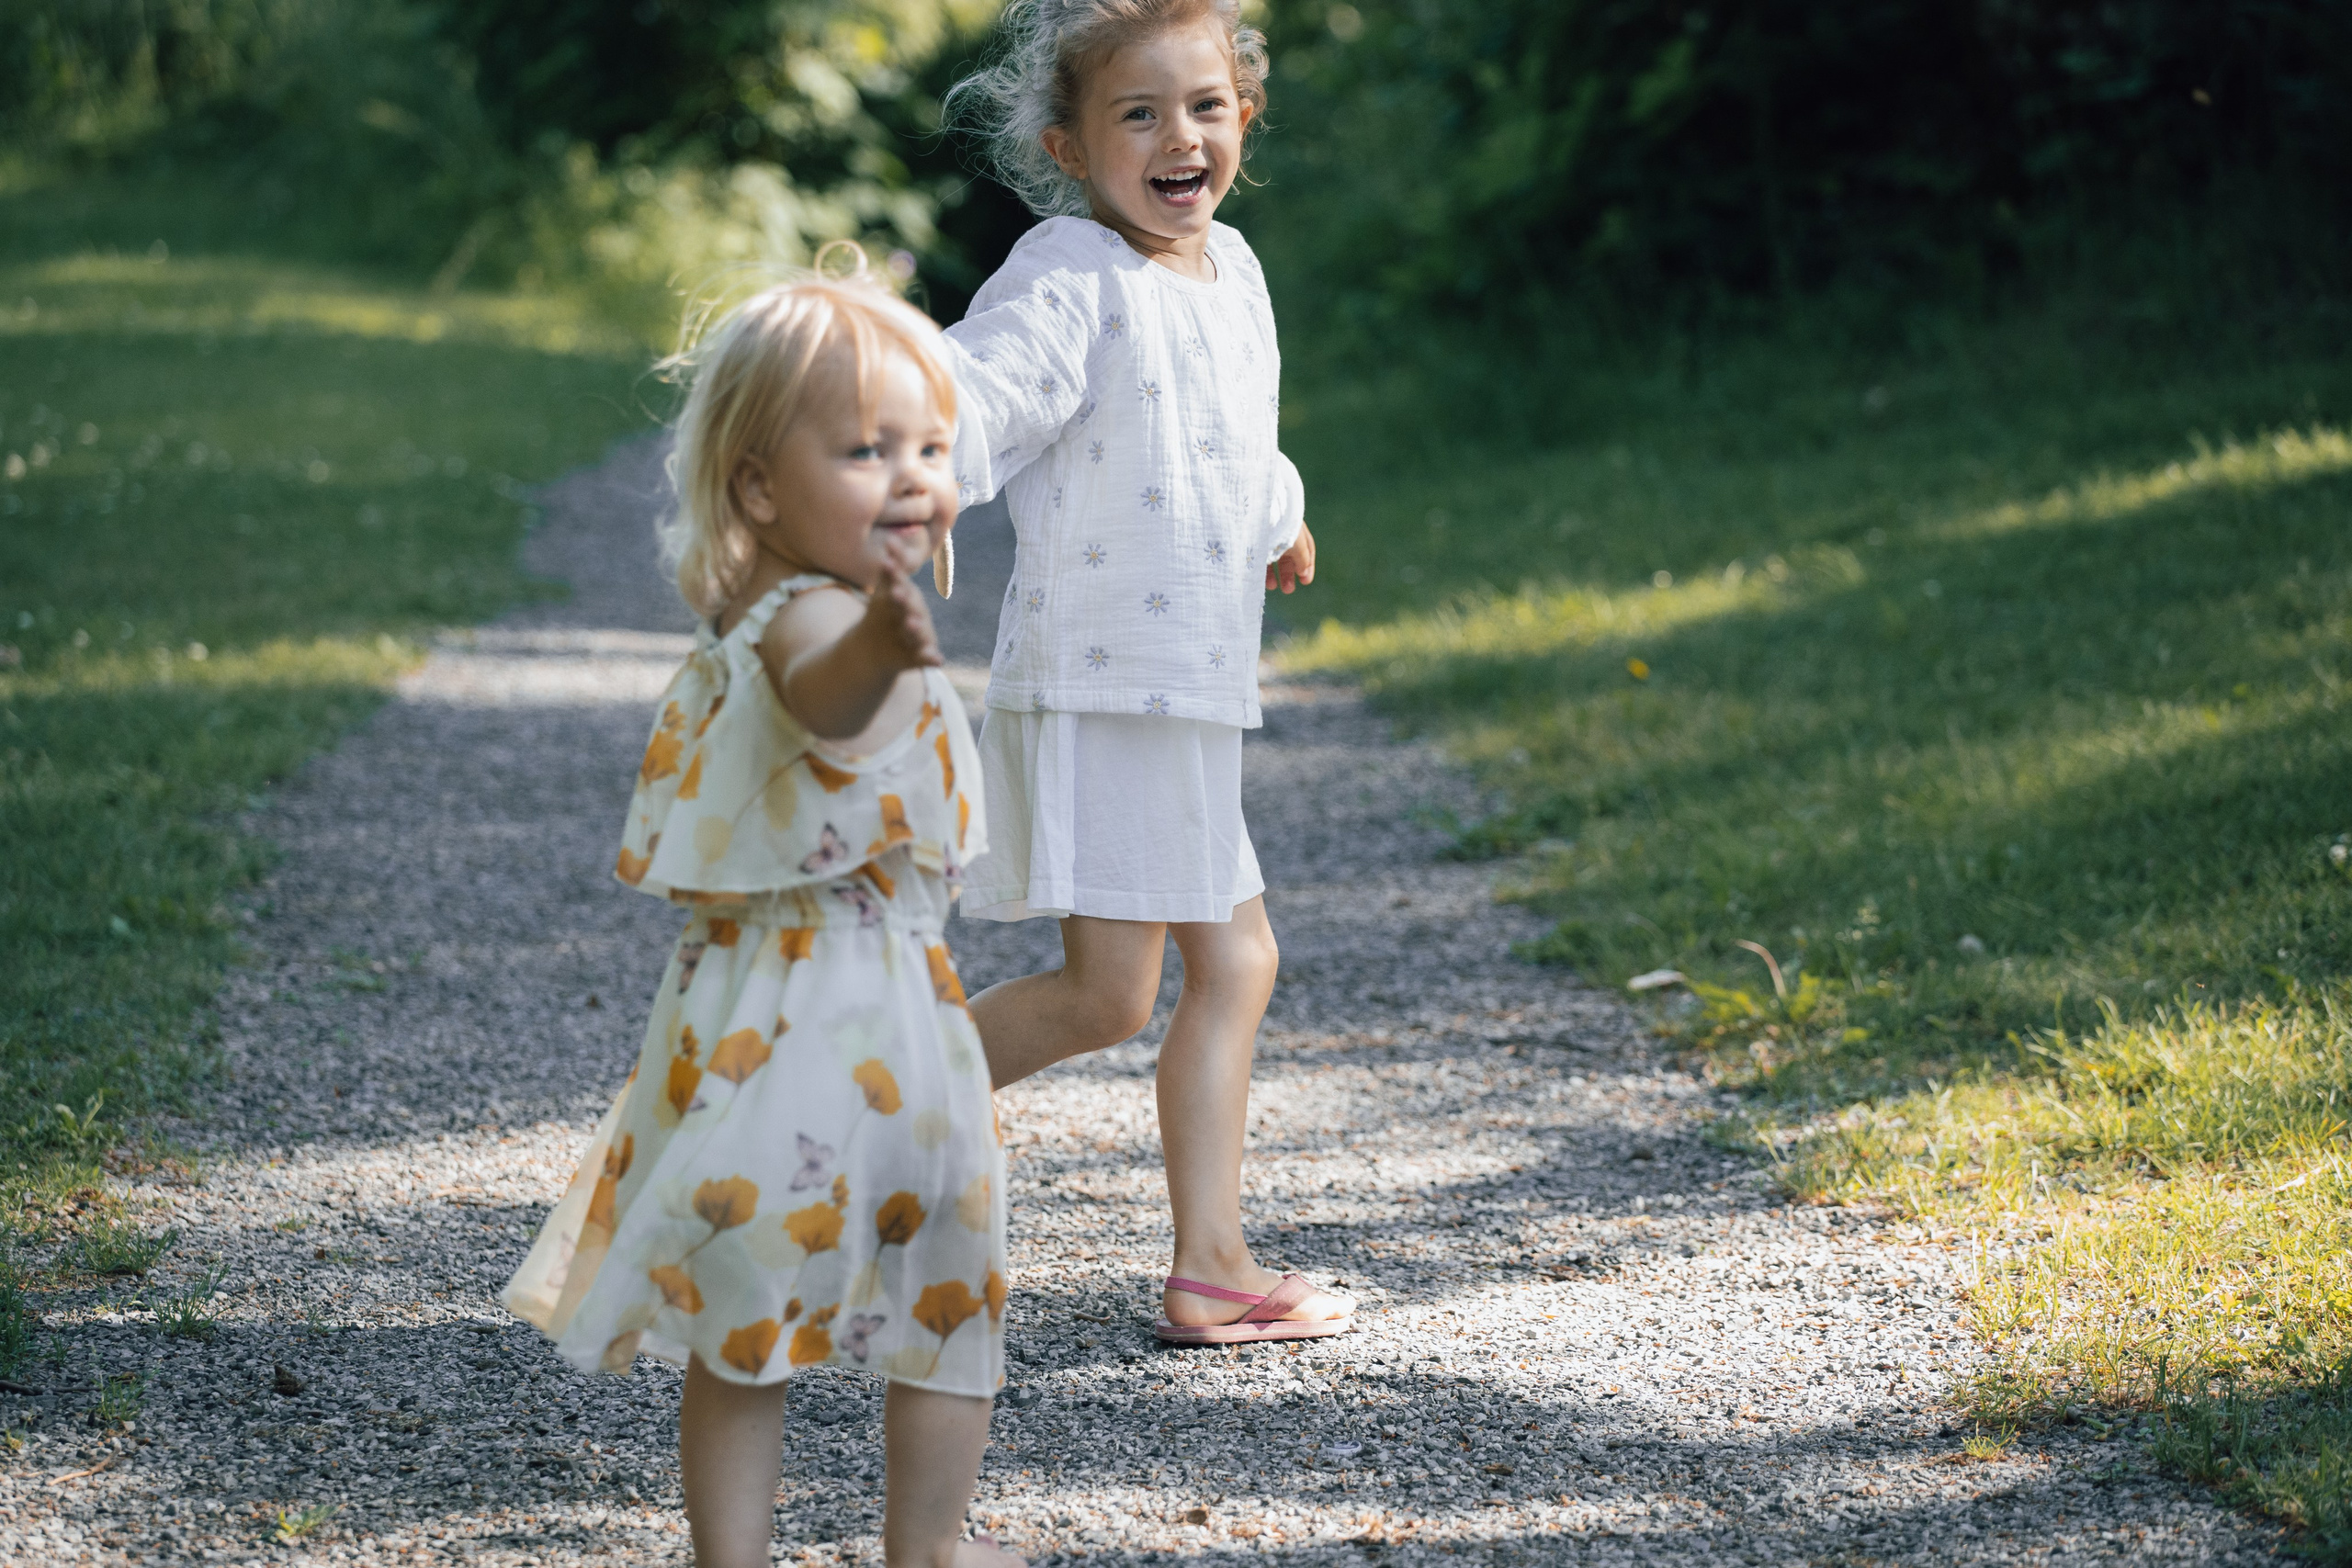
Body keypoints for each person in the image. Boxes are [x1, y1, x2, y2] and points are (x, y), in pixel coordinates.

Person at [501, 259, 1023, 1568]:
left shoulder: (800, 603)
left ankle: (819, 1552)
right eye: (864, 450)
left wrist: (887, 633)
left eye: (929, 448)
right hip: (814, 1021)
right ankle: (911, 1548)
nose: (911, 477)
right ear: (758, 488)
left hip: (862, 1012)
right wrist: (884, 645)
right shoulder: (808, 618)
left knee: (793, 1315)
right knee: (911, 1298)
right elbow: (824, 699)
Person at [941, 0, 1351, 1344]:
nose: (1180, 138)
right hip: (1109, 686)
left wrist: (1281, 511)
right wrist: (902, 451)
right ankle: (847, 1108)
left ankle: (1211, 1264)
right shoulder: (1071, 274)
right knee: (1108, 996)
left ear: (1246, 118)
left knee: (1233, 963)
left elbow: (1232, 424)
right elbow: (983, 392)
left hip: (1186, 690)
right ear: (1068, 148)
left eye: (1205, 107)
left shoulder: (1232, 268)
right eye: (1139, 114)